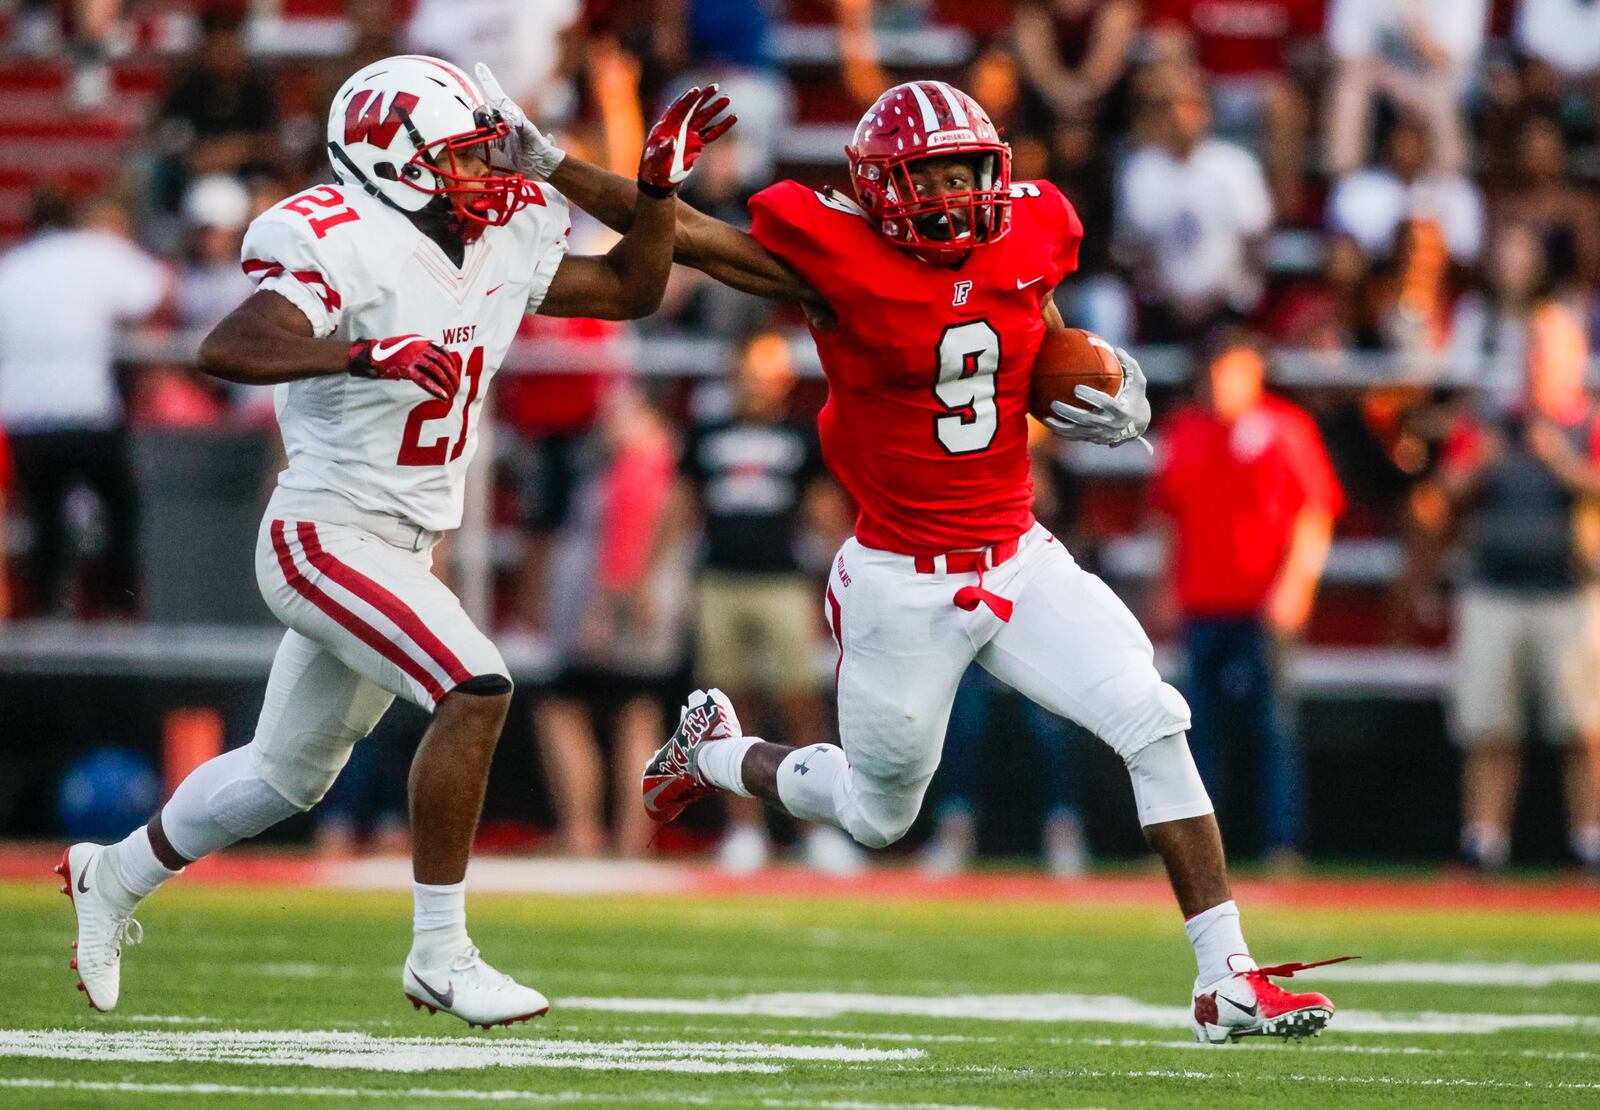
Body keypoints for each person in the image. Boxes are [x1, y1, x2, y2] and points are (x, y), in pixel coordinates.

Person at [497, 76, 1345, 1042]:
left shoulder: (1034, 231)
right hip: (902, 578)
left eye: (961, 174)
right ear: (876, 189)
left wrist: (1083, 389)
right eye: (926, 178)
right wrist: (562, 167)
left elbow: (1037, 329)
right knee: (875, 815)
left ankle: (1225, 978)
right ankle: (720, 752)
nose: (947, 196)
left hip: (1019, 556)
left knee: (1153, 718)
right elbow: (688, 235)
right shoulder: (836, 254)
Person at [55, 54, 728, 1028]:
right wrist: (363, 352)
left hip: (402, 540)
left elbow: (631, 288)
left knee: (287, 774)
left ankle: (112, 874)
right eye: (463, 157)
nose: (489, 174)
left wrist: (655, 194)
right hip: (323, 533)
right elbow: (229, 344)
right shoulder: (344, 238)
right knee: (475, 683)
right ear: (393, 161)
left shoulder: (495, 236)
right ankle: (440, 952)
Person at [1154, 340, 1344, 865]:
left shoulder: (1285, 428)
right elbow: (1169, 514)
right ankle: (1196, 848)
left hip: (1261, 604)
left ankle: (1280, 843)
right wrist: (1167, 584)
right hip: (1202, 601)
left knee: (1274, 727)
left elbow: (1315, 512)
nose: (1220, 384)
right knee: (1196, 731)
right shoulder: (1186, 429)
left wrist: (1296, 584)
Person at [679, 333, 861, 875]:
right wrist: (647, 574)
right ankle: (744, 829)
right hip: (719, 580)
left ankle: (817, 831)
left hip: (782, 582)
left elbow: (823, 511)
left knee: (799, 704)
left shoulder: (799, 438)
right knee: (730, 711)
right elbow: (681, 505)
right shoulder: (706, 435)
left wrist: (849, 576)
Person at [1429, 303, 1600, 873]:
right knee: (1488, 725)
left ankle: (1590, 838)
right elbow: (1445, 494)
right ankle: (1484, 840)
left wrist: (1561, 462)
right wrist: (1482, 463)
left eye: (1550, 348)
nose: (1538, 360)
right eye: (1532, 347)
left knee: (1585, 728)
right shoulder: (1492, 423)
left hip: (1571, 590)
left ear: (1577, 358)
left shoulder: (1590, 426)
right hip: (1494, 587)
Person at [534, 383, 693, 858]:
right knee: (636, 714)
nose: (609, 423)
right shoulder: (664, 468)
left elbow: (623, 547)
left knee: (563, 709)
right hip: (647, 616)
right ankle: (631, 836)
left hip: (617, 616)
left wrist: (600, 612)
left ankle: (583, 830)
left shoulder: (636, 467)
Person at [0, 189, 169, 618]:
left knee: (44, 521)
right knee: (118, 510)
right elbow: (159, 290)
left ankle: (40, 612)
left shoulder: (12, 266)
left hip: (25, 417)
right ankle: (117, 608)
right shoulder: (95, 252)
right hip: (86, 412)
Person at [1115, 70, 1274, 342]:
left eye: (1189, 106)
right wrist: (1171, 295)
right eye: (1170, 107)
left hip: (1227, 306)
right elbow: (1134, 248)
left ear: (1206, 112)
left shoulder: (1235, 166)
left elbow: (1256, 238)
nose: (1179, 117)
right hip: (1162, 306)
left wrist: (1222, 293)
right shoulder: (1142, 170)